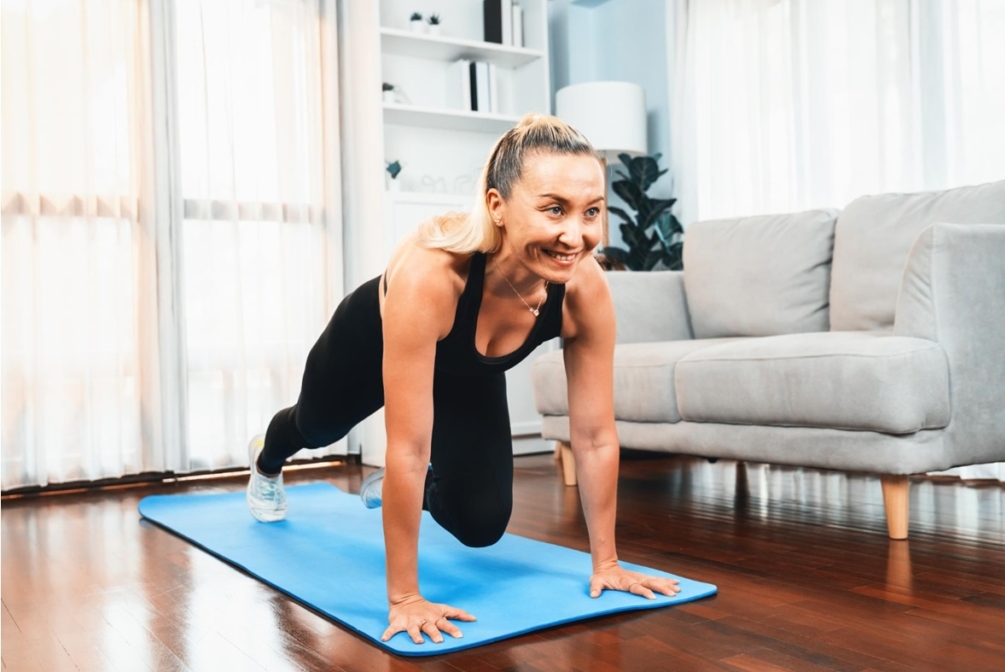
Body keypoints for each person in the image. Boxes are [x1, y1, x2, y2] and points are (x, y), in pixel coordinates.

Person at [245, 114, 681, 645]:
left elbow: (593, 436)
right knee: (314, 426)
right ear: (497, 206)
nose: (577, 234)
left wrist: (607, 563)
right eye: (553, 209)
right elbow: (405, 447)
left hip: (464, 370)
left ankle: (407, 494)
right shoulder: (434, 275)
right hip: (370, 341)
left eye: (592, 211)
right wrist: (405, 599)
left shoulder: (584, 289)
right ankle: (266, 458)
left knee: (481, 523)